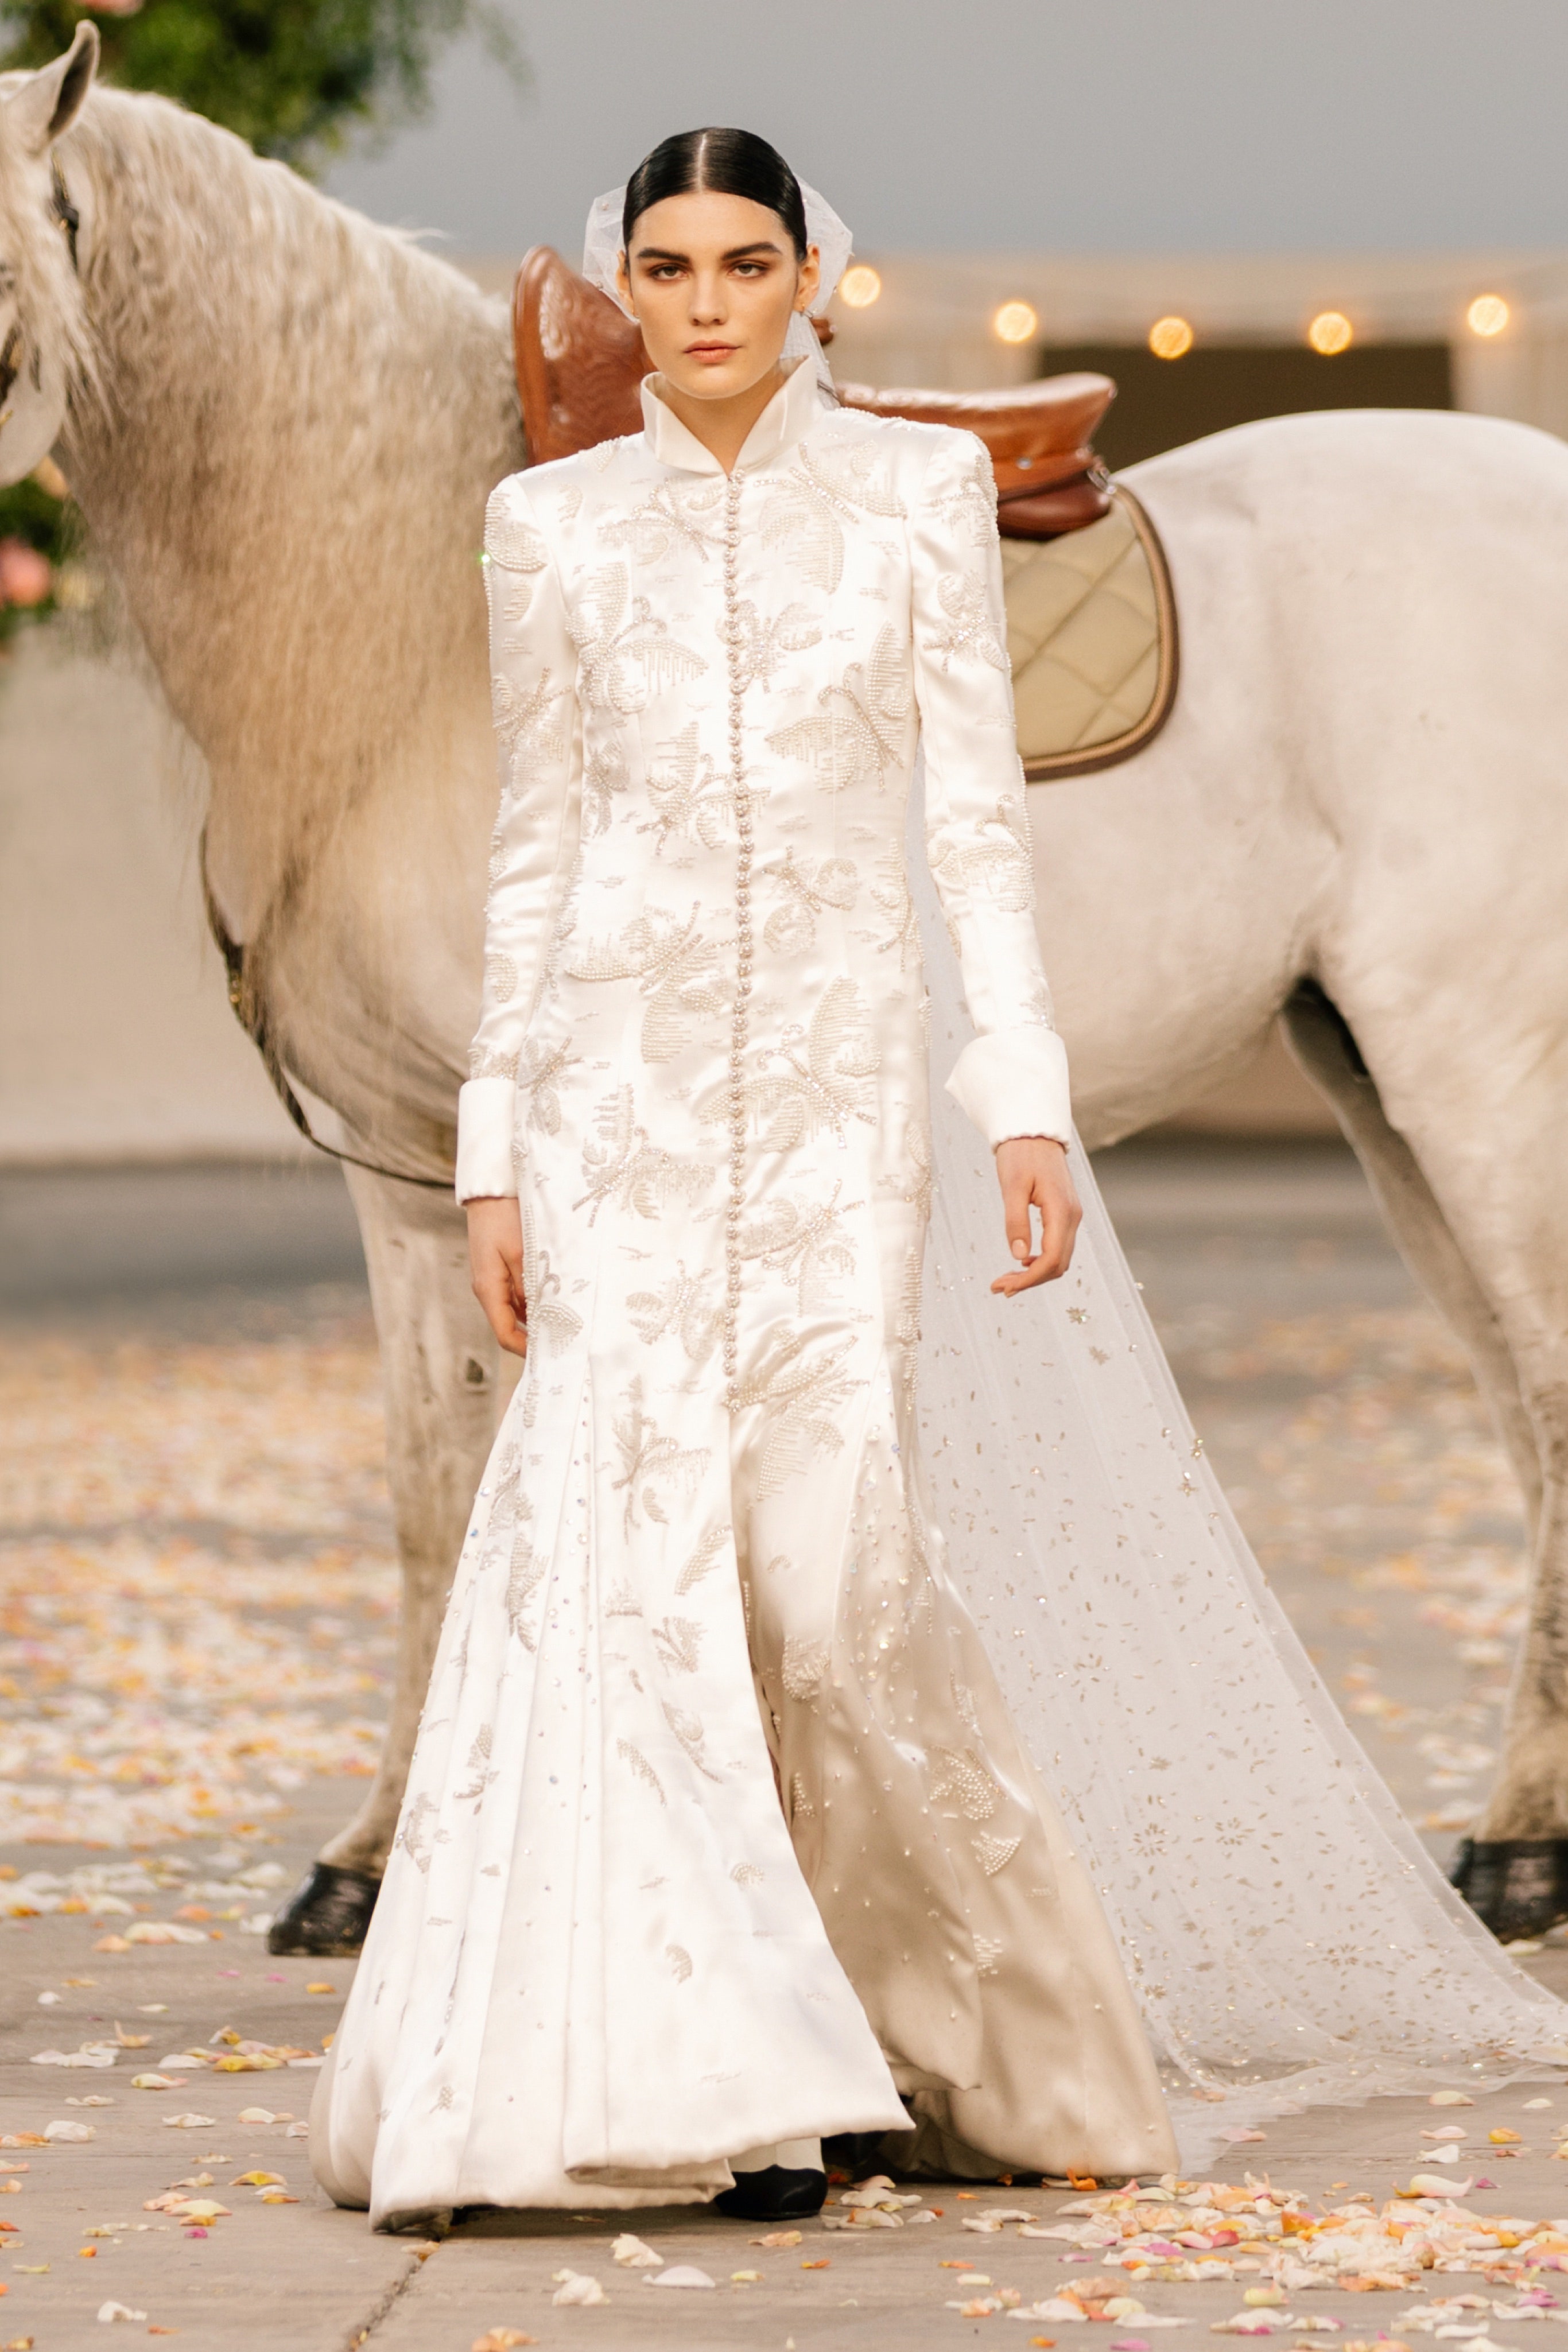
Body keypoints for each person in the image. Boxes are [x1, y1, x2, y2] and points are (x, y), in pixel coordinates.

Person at [309, 125, 1180, 2232]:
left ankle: (900, 2020)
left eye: (745, 262)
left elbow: (972, 823)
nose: (706, 304)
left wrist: (1021, 1094)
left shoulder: (915, 497)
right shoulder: (546, 524)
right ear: (626, 288)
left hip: (827, 1115)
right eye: (670, 267)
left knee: (826, 1580)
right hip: (609, 1113)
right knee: (635, 1580)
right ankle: (743, 2082)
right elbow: (538, 847)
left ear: (812, 279)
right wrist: (496, 1150)